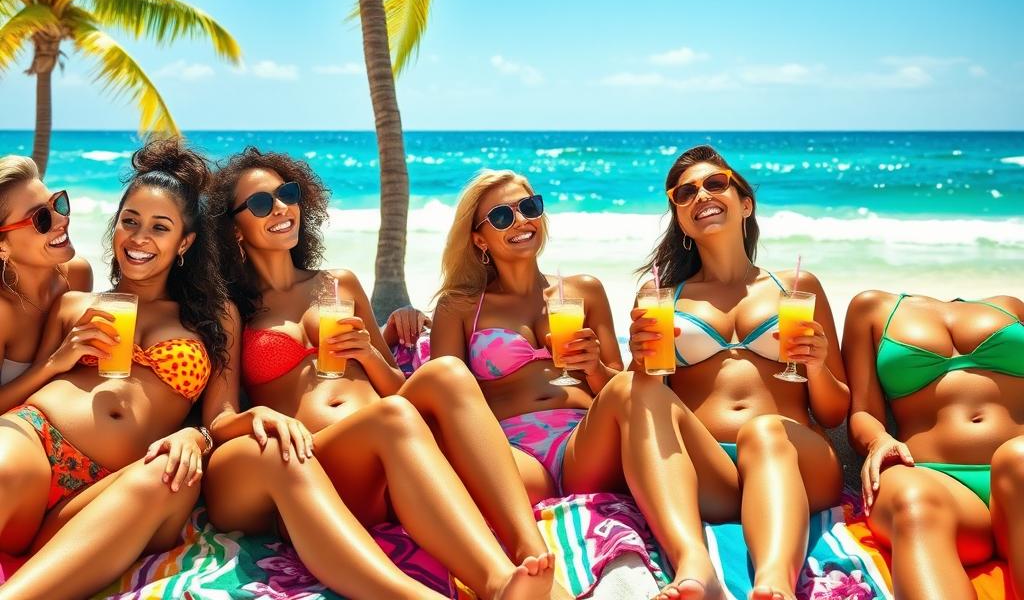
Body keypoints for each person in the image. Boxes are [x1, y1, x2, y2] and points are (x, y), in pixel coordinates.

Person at [202, 147, 557, 600]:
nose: (280, 208)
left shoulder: (339, 283)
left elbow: (396, 387)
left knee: (446, 371)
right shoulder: (232, 309)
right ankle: (494, 581)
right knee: (393, 417)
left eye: (287, 194)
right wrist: (256, 418)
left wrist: (370, 354)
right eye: (260, 203)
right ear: (235, 228)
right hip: (324, 461)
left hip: (384, 449)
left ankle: (526, 547)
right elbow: (218, 418)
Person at [432, 168, 723, 600]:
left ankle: (695, 566)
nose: (520, 221)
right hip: (512, 454)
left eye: (529, 208)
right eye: (501, 217)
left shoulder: (584, 291)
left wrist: (592, 369)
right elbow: (445, 397)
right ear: (478, 238)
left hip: (582, 445)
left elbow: (620, 386)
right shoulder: (459, 306)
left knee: (630, 387)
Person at [0, 138, 229, 600]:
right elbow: (37, 382)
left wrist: (196, 435)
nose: (140, 237)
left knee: (172, 477)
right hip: (35, 437)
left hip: (115, 484)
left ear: (185, 241)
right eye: (129, 221)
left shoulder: (215, 315)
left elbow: (221, 412)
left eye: (160, 227)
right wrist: (60, 358)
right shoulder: (75, 300)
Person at [628, 145, 849, 600]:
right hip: (711, 474)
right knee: (628, 389)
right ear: (681, 220)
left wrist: (818, 365)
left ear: (745, 203)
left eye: (715, 183)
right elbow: (647, 404)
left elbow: (833, 412)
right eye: (684, 193)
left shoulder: (796, 287)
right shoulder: (660, 297)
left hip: (798, 462)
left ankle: (774, 584)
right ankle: (695, 567)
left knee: (765, 431)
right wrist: (638, 361)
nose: (700, 195)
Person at [843, 289, 1024, 600]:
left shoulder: (1011, 307)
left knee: (1018, 457)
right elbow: (862, 412)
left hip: (1016, 480)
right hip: (935, 481)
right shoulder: (871, 308)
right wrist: (879, 439)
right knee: (913, 499)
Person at [0, 156, 92, 405]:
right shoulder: (3, 312)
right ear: (2, 245)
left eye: (57, 204)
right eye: (41, 218)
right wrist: (52, 364)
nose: (62, 220)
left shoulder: (77, 274)